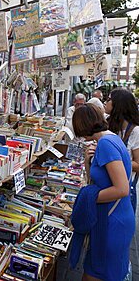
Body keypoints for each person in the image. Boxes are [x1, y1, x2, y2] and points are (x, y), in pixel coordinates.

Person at [71, 104, 135, 281]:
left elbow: (121, 188)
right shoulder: (110, 139)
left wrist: (87, 198)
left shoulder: (105, 143)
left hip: (113, 221)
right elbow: (99, 178)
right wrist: (87, 160)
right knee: (103, 270)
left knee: (97, 273)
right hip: (115, 216)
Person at [104, 88, 139, 212]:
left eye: (109, 99)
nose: (105, 102)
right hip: (109, 185)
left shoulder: (135, 131)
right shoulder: (112, 126)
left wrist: (114, 162)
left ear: (118, 104)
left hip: (124, 191)